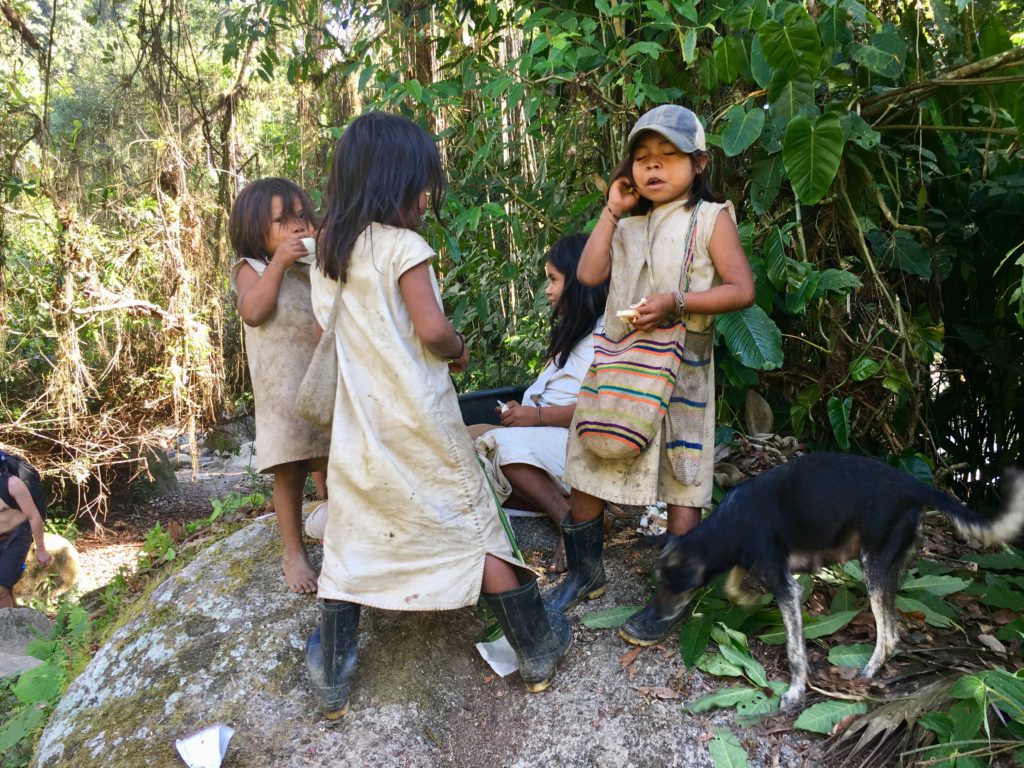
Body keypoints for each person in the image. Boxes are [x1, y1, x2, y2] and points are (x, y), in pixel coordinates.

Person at [305, 111, 571, 718]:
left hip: (361, 427)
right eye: (421, 185)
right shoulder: (404, 248)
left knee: (354, 533)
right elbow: (432, 330)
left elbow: (330, 332)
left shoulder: (328, 254)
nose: (427, 198)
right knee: (469, 524)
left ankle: (334, 675)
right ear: (393, 184)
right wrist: (458, 348)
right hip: (420, 422)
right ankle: (535, 648)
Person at [547, 104, 755, 645]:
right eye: (642, 159)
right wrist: (611, 211)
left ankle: (672, 595)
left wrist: (678, 301)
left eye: (668, 157)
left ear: (700, 162)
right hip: (619, 365)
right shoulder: (628, 222)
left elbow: (741, 289)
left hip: (683, 366)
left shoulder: (711, 218)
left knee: (683, 473)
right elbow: (588, 277)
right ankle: (584, 573)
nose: (653, 168)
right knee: (589, 454)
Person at [474, 233, 608, 573]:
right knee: (459, 442)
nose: (547, 290)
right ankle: (575, 506)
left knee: (496, 445)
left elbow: (601, 409)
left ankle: (570, 520)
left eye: (553, 280)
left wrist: (534, 416)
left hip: (575, 443)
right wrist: (521, 413)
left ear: (580, 282)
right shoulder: (572, 332)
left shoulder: (608, 336)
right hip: (545, 437)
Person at [229, 178, 331, 594]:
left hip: (324, 381)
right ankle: (293, 551)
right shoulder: (250, 269)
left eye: (302, 217)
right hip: (282, 392)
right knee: (290, 471)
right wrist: (278, 265)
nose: (296, 228)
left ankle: (334, 530)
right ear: (255, 230)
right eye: (281, 221)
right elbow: (253, 312)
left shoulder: (317, 266)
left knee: (333, 459)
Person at [0, 451, 51, 608]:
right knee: (5, 589)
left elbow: (34, 517)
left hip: (17, 537)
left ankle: (7, 631)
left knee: (0, 590)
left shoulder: (12, 484)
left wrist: (41, 549)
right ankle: (18, 625)